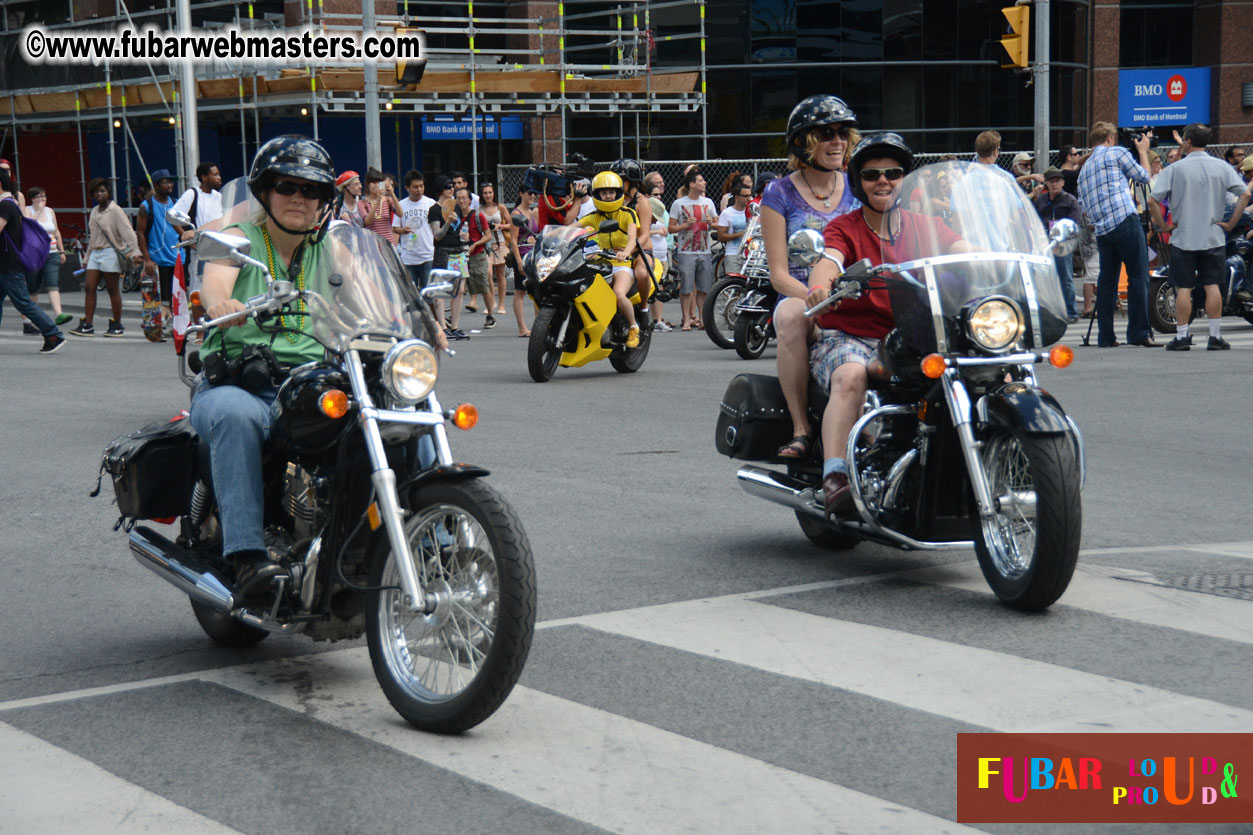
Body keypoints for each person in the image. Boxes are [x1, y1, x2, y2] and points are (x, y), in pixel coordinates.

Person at [807, 133, 970, 515]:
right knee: (850, 376)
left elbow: (963, 250)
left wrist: (993, 262)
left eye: (893, 173)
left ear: (905, 178)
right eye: (872, 174)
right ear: (858, 182)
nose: (883, 180)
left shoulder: (926, 225)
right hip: (852, 334)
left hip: (914, 333)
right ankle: (835, 475)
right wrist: (819, 283)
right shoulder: (844, 227)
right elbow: (830, 258)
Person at [759, 94, 860, 460]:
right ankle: (800, 428)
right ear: (805, 143)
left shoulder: (859, 185)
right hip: (805, 297)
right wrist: (814, 298)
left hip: (856, 295)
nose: (838, 141)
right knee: (787, 315)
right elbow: (778, 275)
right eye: (827, 133)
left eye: (843, 133)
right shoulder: (779, 192)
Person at [1150, 124, 1251, 351]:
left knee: (1183, 287)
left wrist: (1164, 225)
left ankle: (1183, 335)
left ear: (1186, 141)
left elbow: (1152, 200)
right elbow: (1244, 194)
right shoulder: (1222, 167)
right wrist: (1232, 222)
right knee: (1212, 284)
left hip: (1184, 235)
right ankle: (1214, 336)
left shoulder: (1175, 169)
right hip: (1213, 234)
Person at [1078, 121, 1157, 347]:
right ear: (1110, 138)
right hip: (1124, 219)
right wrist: (1143, 151)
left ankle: (1106, 336)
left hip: (1103, 230)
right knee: (1138, 276)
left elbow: (1084, 205)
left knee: (1107, 282)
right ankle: (1139, 333)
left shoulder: (1084, 171)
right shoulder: (1116, 153)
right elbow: (1143, 176)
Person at [0, 168, 64, 352]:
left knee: (23, 303)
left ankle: (53, 335)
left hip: (10, 266)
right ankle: (53, 334)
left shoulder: (6, 205)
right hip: (4, 265)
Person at [578, 170, 642, 347]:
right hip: (601, 262)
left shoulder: (627, 213)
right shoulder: (594, 216)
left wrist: (626, 252)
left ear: (618, 193)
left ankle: (633, 327)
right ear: (597, 195)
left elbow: (632, 238)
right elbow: (572, 228)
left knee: (619, 294)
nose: (608, 196)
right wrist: (548, 235)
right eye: (604, 193)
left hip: (621, 264)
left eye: (611, 192)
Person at [70, 178, 140, 337]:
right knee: (89, 287)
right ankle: (87, 324)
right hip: (95, 252)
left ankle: (117, 324)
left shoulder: (115, 210)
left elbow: (128, 231)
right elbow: (92, 237)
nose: (99, 194)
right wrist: (86, 259)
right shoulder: (94, 211)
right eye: (96, 192)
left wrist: (136, 251)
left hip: (110, 252)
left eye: (102, 191)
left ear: (108, 192)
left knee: (112, 289)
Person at [668, 167, 718, 330]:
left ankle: (703, 319)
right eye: (701, 180)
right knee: (687, 287)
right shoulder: (679, 203)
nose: (704, 183)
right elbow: (670, 228)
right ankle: (686, 319)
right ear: (691, 184)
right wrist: (685, 225)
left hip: (705, 249)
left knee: (704, 288)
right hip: (686, 250)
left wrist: (711, 223)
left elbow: (718, 225)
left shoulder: (708, 202)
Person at [1033, 167, 1082, 321]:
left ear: (1062, 182)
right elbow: (1034, 219)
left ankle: (1071, 312)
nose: (1054, 184)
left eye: (1057, 181)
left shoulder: (1070, 200)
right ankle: (1050, 312)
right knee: (1045, 279)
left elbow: (1076, 222)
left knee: (1065, 278)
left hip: (1062, 245)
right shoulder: (1041, 200)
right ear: (1046, 183)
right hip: (1045, 243)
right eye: (1051, 181)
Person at [22, 186, 72, 329]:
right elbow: (29, 227)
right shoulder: (27, 210)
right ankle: (28, 321)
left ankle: (59, 314)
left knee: (53, 284)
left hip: (52, 253)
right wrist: (38, 210)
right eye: (39, 196)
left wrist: (62, 251)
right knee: (32, 288)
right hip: (34, 255)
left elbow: (56, 231)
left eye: (44, 196)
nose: (43, 199)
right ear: (32, 198)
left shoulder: (50, 211)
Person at [135, 168, 180, 329]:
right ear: (156, 185)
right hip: (157, 258)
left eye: (171, 181)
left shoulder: (176, 202)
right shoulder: (146, 206)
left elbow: (179, 227)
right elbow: (140, 233)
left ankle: (171, 324)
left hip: (176, 256)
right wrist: (146, 258)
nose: (170, 184)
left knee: (176, 295)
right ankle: (159, 324)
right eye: (165, 182)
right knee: (159, 296)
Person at [611, 158, 656, 313]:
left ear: (632, 182)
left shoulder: (642, 202)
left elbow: (644, 234)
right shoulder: (613, 200)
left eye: (621, 180)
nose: (616, 184)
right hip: (616, 251)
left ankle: (644, 308)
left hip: (640, 252)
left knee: (642, 274)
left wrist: (628, 250)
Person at [172, 162, 224, 292]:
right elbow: (173, 217)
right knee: (199, 292)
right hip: (200, 251)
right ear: (204, 177)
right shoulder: (193, 193)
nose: (219, 177)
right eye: (215, 174)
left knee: (217, 290)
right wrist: (187, 239)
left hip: (218, 250)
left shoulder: (219, 196)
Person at [394, 169, 436, 299]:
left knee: (429, 295)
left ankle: (433, 319)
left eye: (421, 186)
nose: (419, 190)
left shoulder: (431, 203)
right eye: (415, 187)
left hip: (427, 254)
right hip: (408, 256)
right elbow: (395, 228)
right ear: (407, 188)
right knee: (409, 295)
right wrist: (403, 230)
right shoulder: (401, 205)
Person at [459, 187, 497, 327]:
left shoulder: (478, 216)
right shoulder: (455, 216)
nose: (462, 200)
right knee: (459, 288)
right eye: (459, 198)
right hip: (461, 256)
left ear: (470, 200)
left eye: (464, 198)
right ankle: (453, 318)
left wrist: (475, 244)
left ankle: (490, 315)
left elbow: (487, 236)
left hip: (477, 255)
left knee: (483, 285)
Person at [643, 171, 674, 331]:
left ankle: (658, 320)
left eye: (660, 195)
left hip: (662, 254)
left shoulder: (660, 209)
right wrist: (656, 232)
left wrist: (663, 232)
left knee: (660, 286)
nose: (659, 196)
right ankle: (645, 318)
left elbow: (666, 227)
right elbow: (641, 232)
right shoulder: (644, 209)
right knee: (648, 286)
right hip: (650, 255)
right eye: (655, 194)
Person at [506, 186, 538, 336]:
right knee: (520, 291)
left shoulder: (532, 212)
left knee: (538, 291)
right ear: (521, 194)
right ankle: (522, 328)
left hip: (533, 256)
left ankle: (539, 325)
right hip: (522, 255)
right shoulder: (516, 213)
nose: (532, 196)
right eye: (529, 193)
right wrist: (519, 262)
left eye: (534, 193)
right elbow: (513, 241)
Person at [479, 184, 509, 316]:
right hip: (486, 244)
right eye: (485, 193)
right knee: (488, 274)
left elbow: (512, 223)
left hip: (500, 242)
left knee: (501, 275)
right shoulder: (479, 209)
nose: (488, 195)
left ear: (494, 193)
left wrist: (500, 226)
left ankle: (501, 304)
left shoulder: (500, 207)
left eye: (490, 192)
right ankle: (491, 302)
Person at [716, 181, 751, 275]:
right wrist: (739, 234)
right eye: (746, 196)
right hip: (733, 254)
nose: (749, 199)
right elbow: (721, 236)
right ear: (737, 197)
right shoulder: (727, 213)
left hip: (750, 255)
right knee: (734, 283)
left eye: (750, 195)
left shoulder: (752, 212)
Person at [360, 168, 399, 245]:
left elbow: (400, 214)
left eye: (379, 183)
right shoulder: (362, 203)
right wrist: (378, 201)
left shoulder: (388, 200)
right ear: (368, 184)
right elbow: (367, 221)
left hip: (388, 245)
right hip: (372, 246)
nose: (377, 185)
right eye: (374, 182)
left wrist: (392, 194)